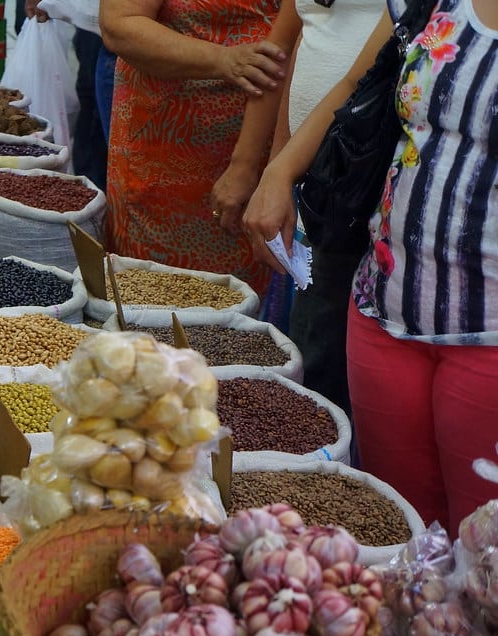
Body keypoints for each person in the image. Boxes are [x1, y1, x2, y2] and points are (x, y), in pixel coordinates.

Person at [242, 0, 498, 532]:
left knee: (480, 550)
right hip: (384, 309)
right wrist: (280, 172)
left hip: (488, 338)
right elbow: (355, 84)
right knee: (398, 532)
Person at [211, 0, 382, 416]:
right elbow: (299, 43)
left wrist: (280, 169)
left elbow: (363, 76)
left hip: (360, 194)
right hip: (312, 191)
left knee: (332, 380)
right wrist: (274, 169)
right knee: (305, 355)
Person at [99, 0, 289, 296]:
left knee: (250, 302)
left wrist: (265, 164)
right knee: (159, 297)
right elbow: (119, 25)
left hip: (274, 154)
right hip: (168, 162)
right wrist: (224, 60)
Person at [23, 0, 109, 190]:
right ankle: (91, 183)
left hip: (110, 19)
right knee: (91, 95)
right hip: (103, 17)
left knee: (93, 97)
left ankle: (93, 183)